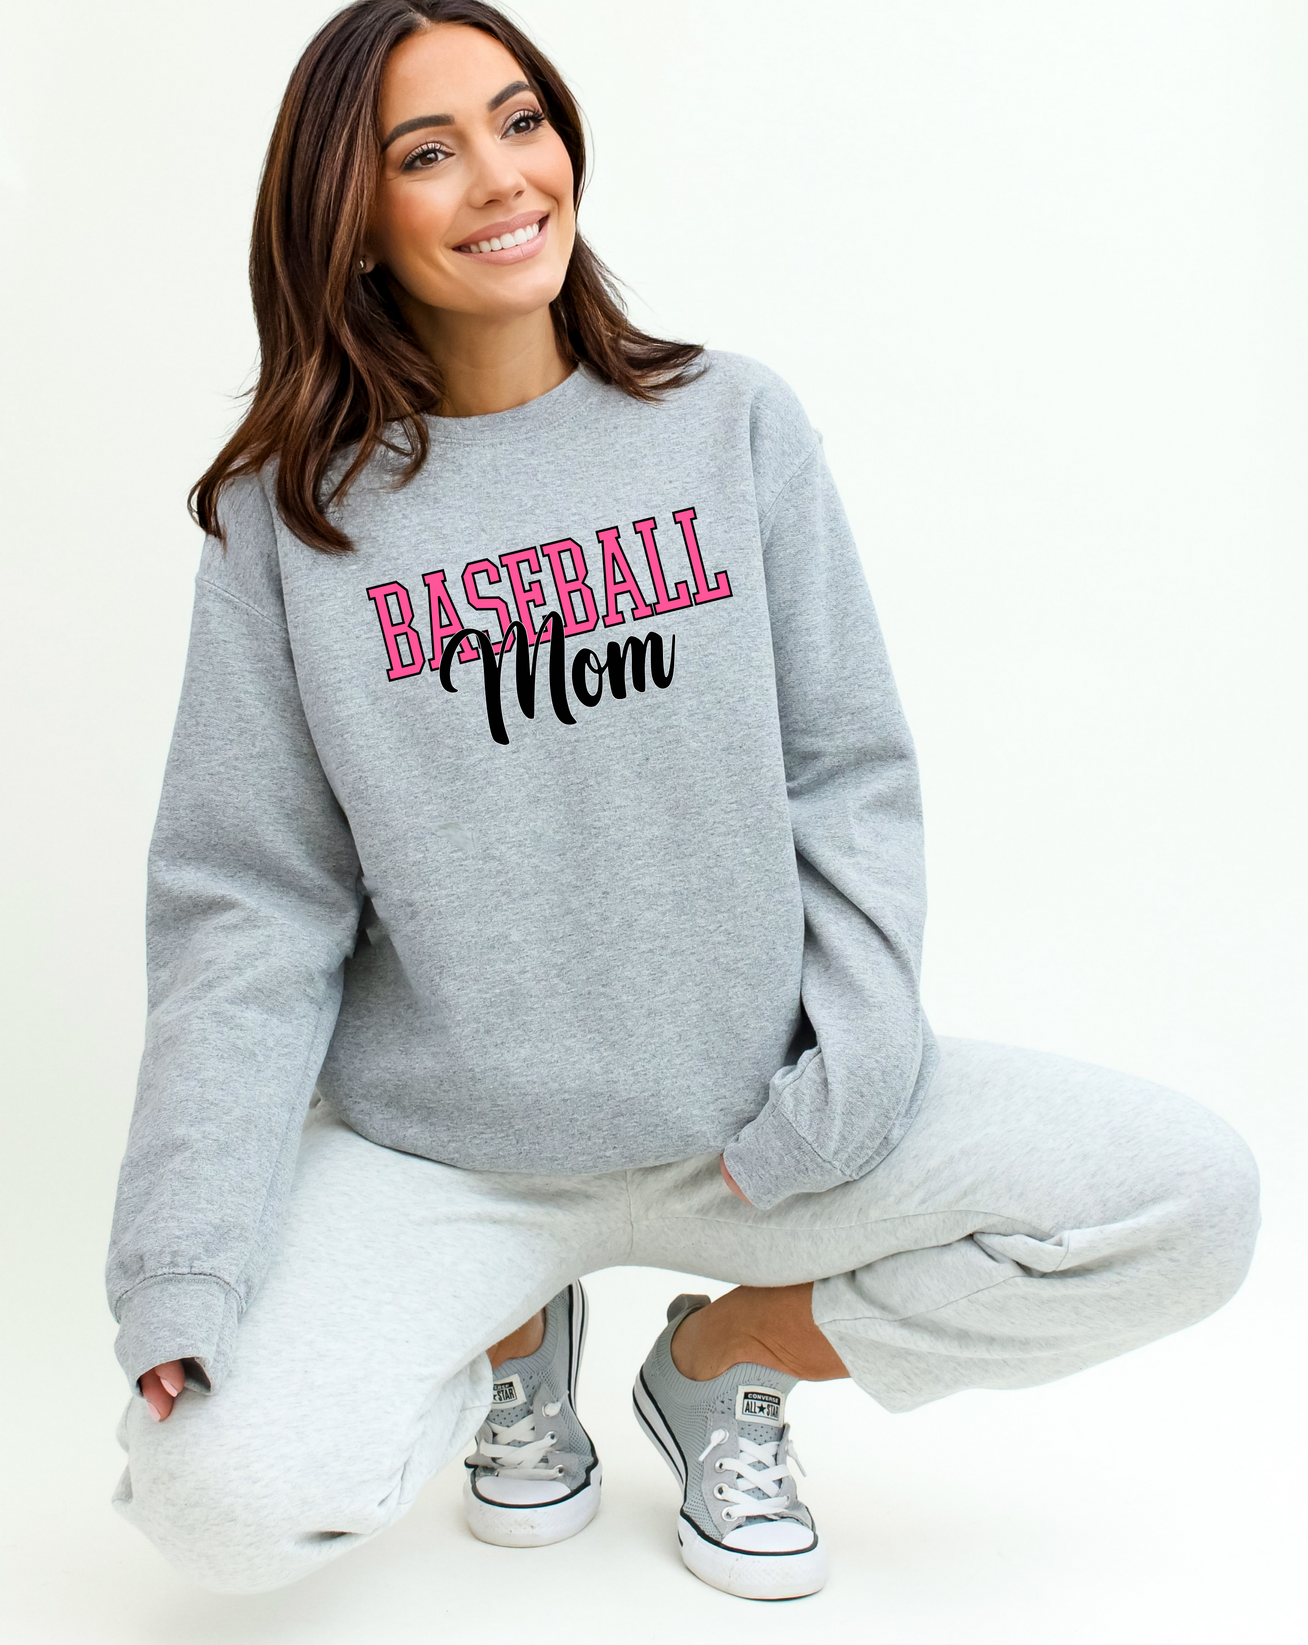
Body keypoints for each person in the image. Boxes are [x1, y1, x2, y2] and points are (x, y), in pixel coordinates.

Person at [105, 0, 1260, 1603]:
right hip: (454, 1163)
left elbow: (847, 771)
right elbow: (249, 910)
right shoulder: (285, 523)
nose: (504, 178)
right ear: (349, 219)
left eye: (522, 120)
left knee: (1192, 1200)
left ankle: (721, 1366)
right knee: (210, 1504)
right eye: (426, 154)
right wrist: (182, 1263)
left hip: (754, 1125)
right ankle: (511, 1335)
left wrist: (846, 1080)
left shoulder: (730, 424)